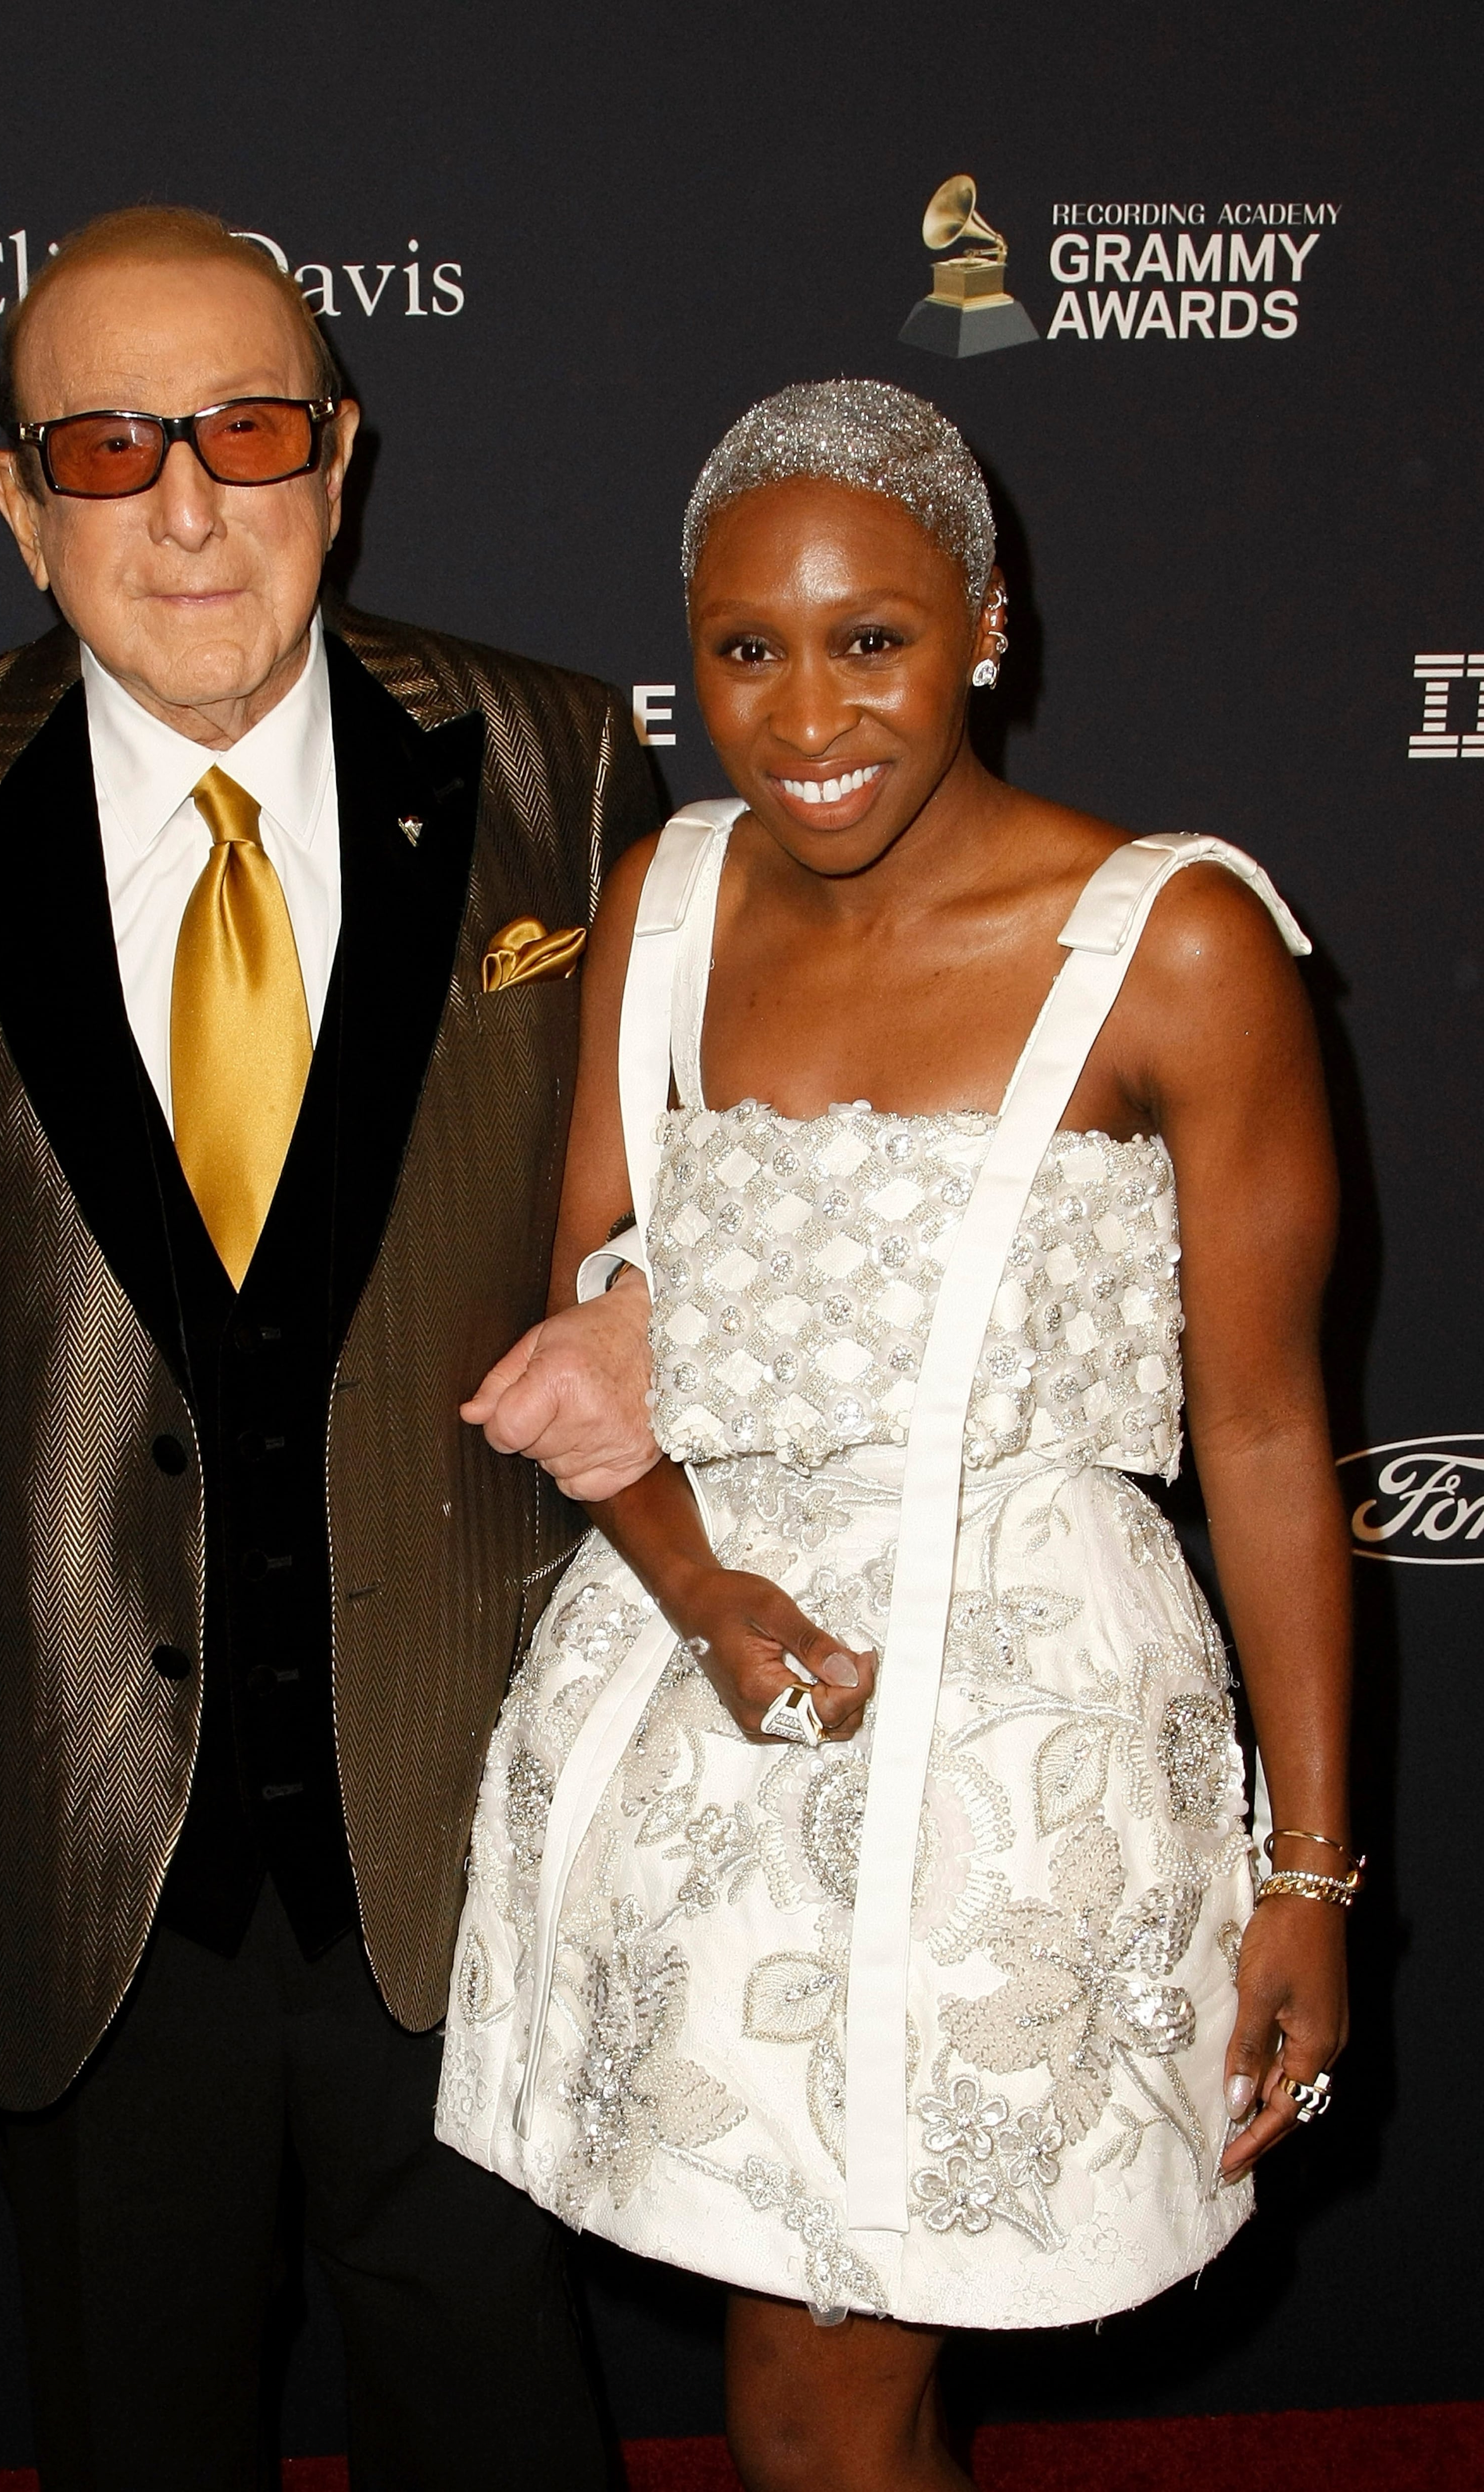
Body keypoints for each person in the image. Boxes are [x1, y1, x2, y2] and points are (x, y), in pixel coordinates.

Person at [0, 204, 662, 2492]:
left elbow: (701, 1175)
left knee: (499, 2403)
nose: (193, 509)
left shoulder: (555, 761)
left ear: (340, 455)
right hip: (56, 1807)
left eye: (244, 430)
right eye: (111, 450)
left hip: (475, 1796)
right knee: (138, 2421)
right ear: (17, 503)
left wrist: (647, 1316)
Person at [440, 381, 1354, 2492]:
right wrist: (702, 1592)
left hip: (1014, 1768)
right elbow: (599, 1351)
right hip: (700, 1723)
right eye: (747, 649)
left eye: (875, 640)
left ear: (988, 625)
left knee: (828, 2374)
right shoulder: (661, 907)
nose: (807, 711)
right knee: (818, 2359)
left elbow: (1272, 1427)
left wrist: (1306, 1871)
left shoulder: (1178, 944)